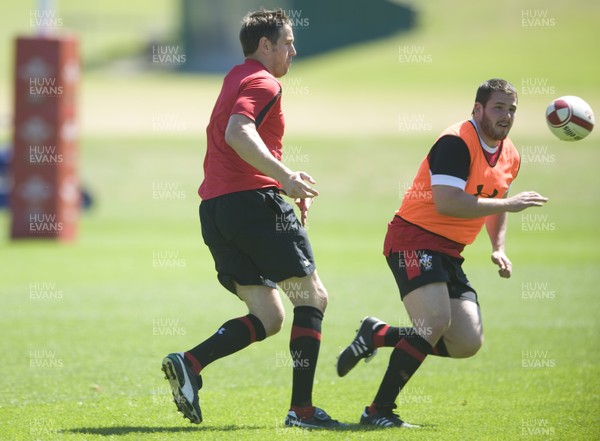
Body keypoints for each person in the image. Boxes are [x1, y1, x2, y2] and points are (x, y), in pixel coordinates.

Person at [161, 9, 341, 429]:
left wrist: (286, 181)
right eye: (288, 42)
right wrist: (283, 179)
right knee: (312, 298)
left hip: (218, 210)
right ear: (266, 45)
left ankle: (191, 362)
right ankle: (302, 411)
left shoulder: (236, 75)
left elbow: (237, 140)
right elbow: (238, 133)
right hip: (252, 203)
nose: (294, 50)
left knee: (269, 316)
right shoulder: (263, 80)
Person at [336, 79, 549, 428]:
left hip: (450, 252)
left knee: (466, 342)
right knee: (433, 322)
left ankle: (378, 334)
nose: (506, 116)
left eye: (512, 109)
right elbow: (448, 202)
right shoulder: (456, 142)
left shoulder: (510, 153)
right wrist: (511, 202)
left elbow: (494, 203)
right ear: (477, 109)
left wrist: (498, 247)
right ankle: (378, 412)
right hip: (413, 239)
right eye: (498, 107)